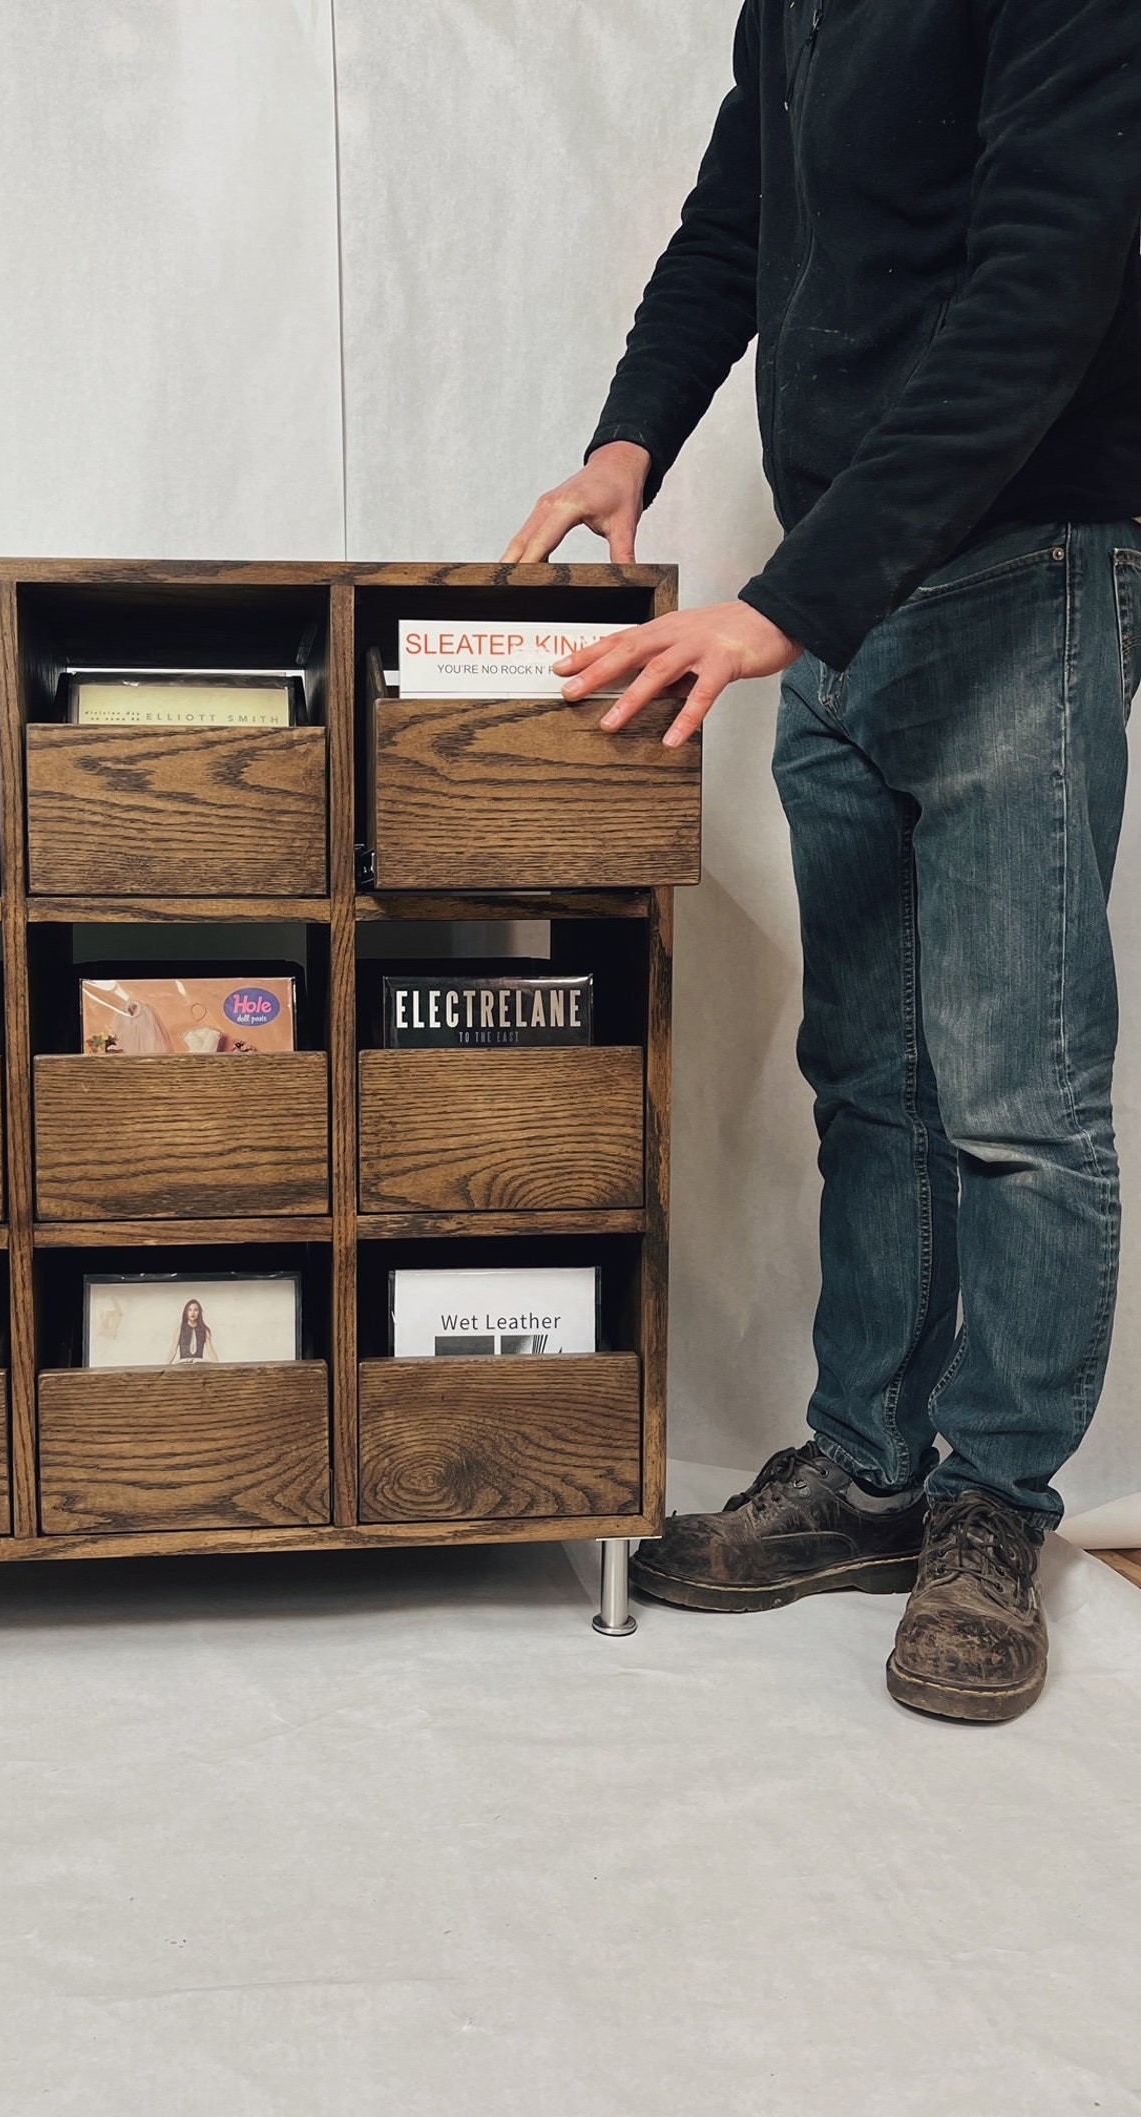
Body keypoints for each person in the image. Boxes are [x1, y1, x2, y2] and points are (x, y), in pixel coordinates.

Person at [506, 0, 1141, 1722]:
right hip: (838, 581)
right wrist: (628, 437)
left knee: (1015, 1094)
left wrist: (789, 601)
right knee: (866, 1069)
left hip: (1016, 565)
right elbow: (735, 223)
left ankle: (988, 1510)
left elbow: (1042, 289)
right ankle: (866, 1466)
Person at [168, 1299, 218, 1365]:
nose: (192, 1313)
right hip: (183, 1365)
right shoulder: (179, 1330)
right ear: (186, 1312)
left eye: (196, 1310)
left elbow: (210, 1350)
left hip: (199, 1365)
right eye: (190, 1310)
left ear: (199, 1312)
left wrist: (218, 1364)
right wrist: (166, 1365)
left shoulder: (205, 1330)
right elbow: (173, 1350)